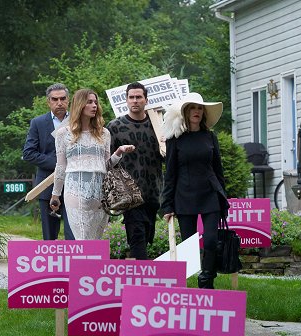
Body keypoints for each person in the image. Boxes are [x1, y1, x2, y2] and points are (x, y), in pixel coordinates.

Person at [49, 88, 135, 240]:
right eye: (89, 102)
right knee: (82, 239)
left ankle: (93, 265)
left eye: (95, 102)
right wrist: (55, 194)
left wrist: (119, 152)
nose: (94, 105)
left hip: (100, 192)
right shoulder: (63, 134)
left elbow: (107, 166)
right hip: (75, 189)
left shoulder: (104, 133)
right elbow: (61, 166)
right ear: (80, 105)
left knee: (96, 240)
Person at [161, 93, 226, 289]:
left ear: (203, 113)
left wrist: (223, 198)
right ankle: (190, 287)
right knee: (189, 244)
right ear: (186, 113)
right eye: (192, 108)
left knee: (211, 240)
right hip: (184, 196)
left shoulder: (210, 137)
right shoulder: (175, 140)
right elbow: (170, 173)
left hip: (210, 193)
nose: (196, 111)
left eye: (199, 108)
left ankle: (206, 280)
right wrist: (167, 204)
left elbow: (218, 169)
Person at [106, 82, 164, 259]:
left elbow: (167, 155)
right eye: (131, 97)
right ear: (126, 100)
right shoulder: (115, 127)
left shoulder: (158, 125)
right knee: (137, 235)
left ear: (146, 100)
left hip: (153, 191)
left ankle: (139, 272)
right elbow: (107, 162)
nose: (135, 101)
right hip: (129, 192)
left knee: (146, 235)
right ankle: (143, 276)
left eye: (139, 97)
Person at [22, 83, 75, 240]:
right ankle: (53, 265)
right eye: (55, 99)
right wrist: (59, 164)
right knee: (50, 238)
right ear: (48, 102)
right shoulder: (38, 123)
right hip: (47, 186)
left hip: (75, 186)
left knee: (74, 237)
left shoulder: (78, 120)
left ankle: (76, 265)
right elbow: (28, 153)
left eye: (63, 99)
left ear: (68, 100)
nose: (59, 102)